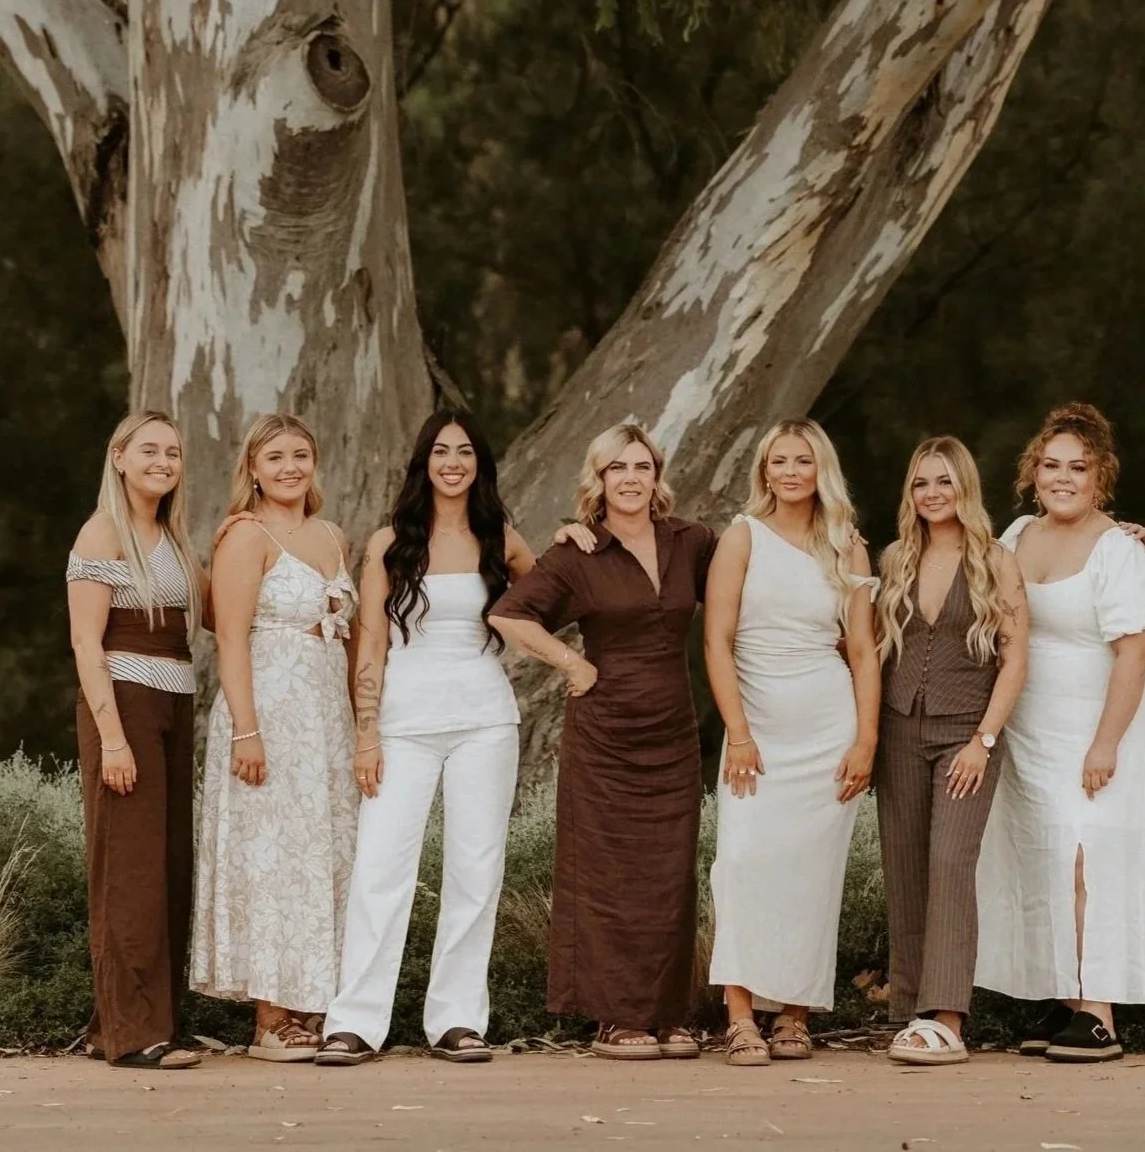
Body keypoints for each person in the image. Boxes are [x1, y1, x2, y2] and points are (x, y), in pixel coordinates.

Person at [315, 409, 538, 1066]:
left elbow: (553, 599)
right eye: (441, 451)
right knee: (380, 869)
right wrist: (366, 733)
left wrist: (577, 539)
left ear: (479, 464)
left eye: (465, 451)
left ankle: (457, 1020)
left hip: (485, 720)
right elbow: (371, 646)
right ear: (424, 462)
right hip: (403, 723)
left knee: (476, 869)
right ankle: (355, 1022)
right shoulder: (390, 543)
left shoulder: (502, 540)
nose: (453, 462)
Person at [488, 423, 718, 1061]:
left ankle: (667, 1014)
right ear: (600, 478)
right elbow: (507, 614)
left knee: (669, 876)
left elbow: (748, 582)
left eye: (642, 466)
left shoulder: (692, 541)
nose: (631, 478)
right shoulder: (579, 552)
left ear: (657, 475)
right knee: (609, 873)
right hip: (606, 734)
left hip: (672, 732)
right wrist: (572, 662)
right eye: (618, 468)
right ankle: (616, 1019)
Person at [978, 403, 1145, 1063]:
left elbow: (1135, 654)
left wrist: (1105, 743)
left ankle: (1099, 1012)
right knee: (1041, 857)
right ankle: (1061, 996)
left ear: (1100, 477)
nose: (1062, 478)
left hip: (1099, 722)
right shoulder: (1014, 537)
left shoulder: (1117, 549)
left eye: (1078, 468)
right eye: (1051, 465)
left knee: (1091, 859)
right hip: (1030, 726)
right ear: (1033, 472)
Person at [703, 420, 881, 1067]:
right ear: (764, 471)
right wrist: (739, 733)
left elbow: (862, 650)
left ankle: (794, 1015)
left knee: (810, 876)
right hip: (756, 731)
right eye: (778, 461)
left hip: (828, 728)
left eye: (802, 460)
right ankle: (740, 1016)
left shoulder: (846, 545)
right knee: (742, 864)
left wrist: (866, 739)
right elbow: (716, 640)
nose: (790, 471)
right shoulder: (742, 537)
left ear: (820, 469)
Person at [190, 413, 358, 1063]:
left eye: (300, 455)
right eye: (276, 457)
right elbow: (230, 639)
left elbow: (348, 638)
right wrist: (247, 731)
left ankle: (312, 1004)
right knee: (269, 857)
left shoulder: (332, 535)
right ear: (254, 470)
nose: (290, 467)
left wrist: (360, 726)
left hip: (326, 720)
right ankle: (269, 1019)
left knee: (319, 856)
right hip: (267, 712)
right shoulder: (244, 536)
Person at [874, 436, 1030, 1067]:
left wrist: (983, 741)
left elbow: (1015, 659)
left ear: (965, 487)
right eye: (921, 482)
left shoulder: (995, 561)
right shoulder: (895, 559)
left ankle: (947, 1017)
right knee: (906, 866)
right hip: (899, 732)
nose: (932, 493)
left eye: (944, 481)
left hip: (967, 733)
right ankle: (910, 1011)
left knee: (950, 864)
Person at [65, 410, 207, 1071]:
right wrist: (113, 740)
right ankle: (133, 1034)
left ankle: (141, 1022)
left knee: (168, 862)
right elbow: (85, 642)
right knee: (131, 868)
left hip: (175, 702)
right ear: (118, 457)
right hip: (124, 703)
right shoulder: (102, 531)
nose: (162, 461)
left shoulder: (172, 535)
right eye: (148, 450)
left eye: (172, 452)